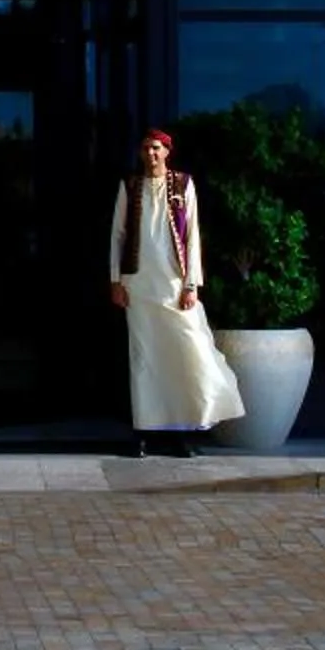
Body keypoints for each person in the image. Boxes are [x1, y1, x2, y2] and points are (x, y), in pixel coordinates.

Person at [108, 127, 243, 457]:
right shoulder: (129, 186)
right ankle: (144, 431)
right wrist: (115, 280)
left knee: (186, 353)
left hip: (174, 285)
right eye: (145, 148)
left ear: (167, 151)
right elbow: (118, 236)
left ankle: (181, 432)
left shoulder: (184, 184)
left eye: (156, 148)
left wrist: (191, 284)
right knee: (145, 358)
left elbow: (193, 236)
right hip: (139, 285)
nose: (151, 154)